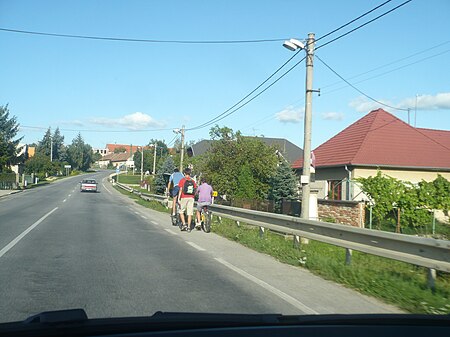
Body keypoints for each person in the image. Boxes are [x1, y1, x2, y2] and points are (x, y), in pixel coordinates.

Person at [177, 167, 197, 232]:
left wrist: (178, 199)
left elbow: (180, 190)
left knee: (181, 211)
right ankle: (189, 227)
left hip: (184, 197)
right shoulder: (193, 181)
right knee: (190, 213)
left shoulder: (182, 180)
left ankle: (184, 224)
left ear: (184, 173)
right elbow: (195, 190)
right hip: (191, 198)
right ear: (190, 173)